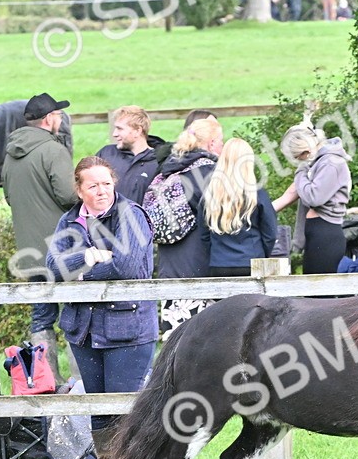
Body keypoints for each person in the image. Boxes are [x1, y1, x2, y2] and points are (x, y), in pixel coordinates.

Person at [46, 157, 158, 459]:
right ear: (80, 190)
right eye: (93, 185)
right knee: (97, 408)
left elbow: (128, 266)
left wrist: (81, 272)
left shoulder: (131, 215)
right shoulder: (68, 221)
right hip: (84, 330)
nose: (101, 191)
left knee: (125, 408)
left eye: (106, 184)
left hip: (128, 327)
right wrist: (89, 255)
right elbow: (54, 267)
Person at [2, 92, 78, 387]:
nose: (60, 119)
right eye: (58, 115)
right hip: (62, 249)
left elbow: (9, 197)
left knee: (41, 317)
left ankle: (45, 380)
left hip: (30, 251)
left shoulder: (11, 153)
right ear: (48, 120)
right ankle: (79, 380)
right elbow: (69, 195)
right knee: (75, 313)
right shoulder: (53, 150)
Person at [155, 115, 223, 337]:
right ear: (212, 144)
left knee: (174, 348)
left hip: (170, 267)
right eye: (221, 142)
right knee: (206, 348)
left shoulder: (169, 171)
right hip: (200, 269)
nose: (222, 147)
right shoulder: (210, 175)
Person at [273, 123, 352, 275]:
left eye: (298, 157)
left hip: (326, 234)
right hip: (317, 234)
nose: (298, 161)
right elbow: (291, 194)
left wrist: (301, 171)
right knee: (311, 290)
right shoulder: (318, 163)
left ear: (306, 151)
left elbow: (314, 197)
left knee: (319, 293)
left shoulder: (331, 163)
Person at [198, 138, 278, 277]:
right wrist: (261, 254)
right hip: (252, 262)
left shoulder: (210, 194)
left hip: (219, 264)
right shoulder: (256, 193)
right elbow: (269, 233)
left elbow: (204, 235)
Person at [96, 106, 164, 205]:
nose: (114, 134)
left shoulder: (159, 162)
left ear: (137, 131)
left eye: (120, 129)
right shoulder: (106, 154)